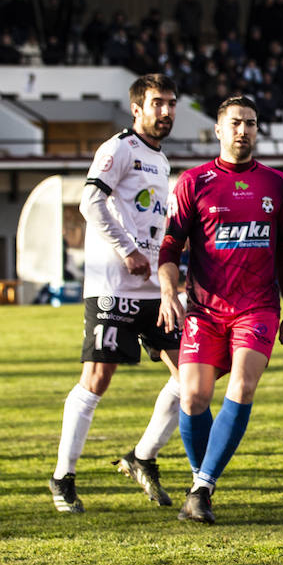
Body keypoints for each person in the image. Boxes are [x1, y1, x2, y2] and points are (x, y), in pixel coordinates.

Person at [157, 95, 283, 524]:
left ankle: (200, 488)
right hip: (204, 309)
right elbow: (169, 248)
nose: (243, 131)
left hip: (257, 308)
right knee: (194, 395)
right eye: (235, 123)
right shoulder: (193, 182)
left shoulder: (277, 184)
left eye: (251, 124)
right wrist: (168, 293)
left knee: (242, 386)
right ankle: (204, 483)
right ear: (218, 130)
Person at [48, 73, 182, 514]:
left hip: (153, 289)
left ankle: (142, 456)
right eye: (158, 103)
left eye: (171, 104)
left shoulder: (161, 160)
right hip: (113, 286)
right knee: (97, 379)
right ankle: (62, 477)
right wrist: (127, 250)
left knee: (191, 378)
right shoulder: (118, 148)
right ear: (137, 108)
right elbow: (90, 202)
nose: (166, 112)